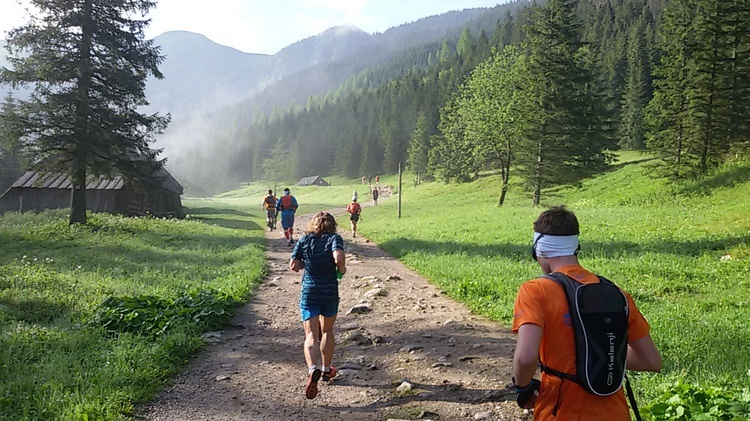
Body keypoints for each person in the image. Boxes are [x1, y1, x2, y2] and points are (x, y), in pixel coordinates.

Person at [511, 206, 662, 420]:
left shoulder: (536, 290)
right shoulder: (616, 292)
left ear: (538, 250)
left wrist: (522, 387)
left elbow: (525, 359)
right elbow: (651, 361)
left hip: (561, 412)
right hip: (616, 413)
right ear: (575, 246)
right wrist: (600, 352)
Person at [289, 212, 346, 400]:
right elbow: (338, 257)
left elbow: (294, 265)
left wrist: (308, 264)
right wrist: (341, 269)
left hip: (309, 291)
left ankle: (312, 368)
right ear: (332, 225)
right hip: (329, 292)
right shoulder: (334, 238)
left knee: (311, 334)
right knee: (328, 330)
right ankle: (326, 369)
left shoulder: (304, 239)